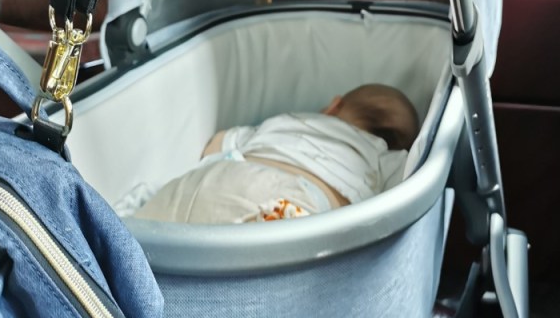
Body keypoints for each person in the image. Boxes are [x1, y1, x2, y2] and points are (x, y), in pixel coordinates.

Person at [130, 84, 419, 225]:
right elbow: (408, 188)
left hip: (222, 174)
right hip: (290, 203)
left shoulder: (290, 120)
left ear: (334, 106)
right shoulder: (383, 157)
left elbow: (217, 144)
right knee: (266, 257)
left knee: (150, 224)